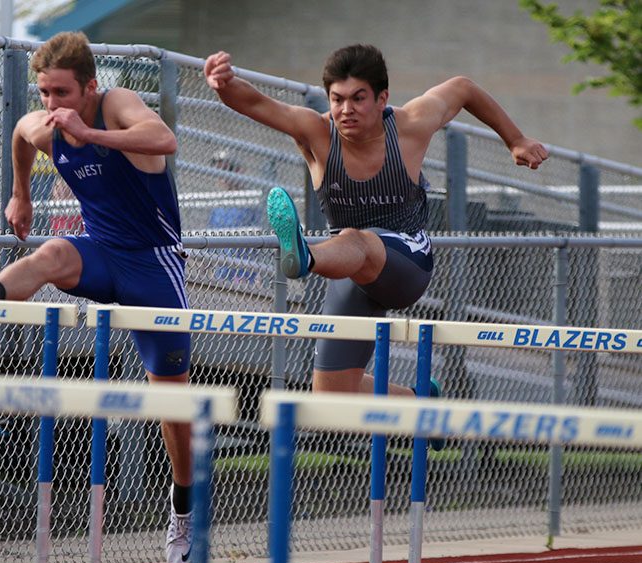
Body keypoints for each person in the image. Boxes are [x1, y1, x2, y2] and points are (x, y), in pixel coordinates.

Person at [203, 45, 548, 423]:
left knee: (357, 239)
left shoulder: (411, 124)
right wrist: (224, 84)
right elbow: (257, 103)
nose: (346, 110)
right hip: (352, 273)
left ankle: (306, 257)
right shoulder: (316, 131)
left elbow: (463, 88)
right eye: (337, 99)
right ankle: (423, 405)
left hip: (408, 262)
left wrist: (514, 139)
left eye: (358, 99)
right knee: (332, 397)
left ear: (382, 98)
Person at [0, 31, 194, 563]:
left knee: (170, 402)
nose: (51, 105)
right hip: (101, 253)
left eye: (61, 93)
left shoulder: (115, 105)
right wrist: (19, 194)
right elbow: (19, 134)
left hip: (155, 264)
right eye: (44, 92)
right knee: (55, 253)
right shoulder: (45, 125)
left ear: (89, 87)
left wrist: (90, 132)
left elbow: (163, 140)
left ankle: (182, 506)